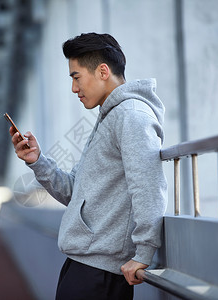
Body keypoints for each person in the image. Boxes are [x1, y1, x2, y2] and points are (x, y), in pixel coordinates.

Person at [9, 32, 167, 300]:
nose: (73, 88)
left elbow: (149, 186)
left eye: (76, 77)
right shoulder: (109, 117)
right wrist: (38, 161)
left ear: (103, 71)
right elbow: (75, 192)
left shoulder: (131, 117)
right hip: (86, 264)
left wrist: (143, 253)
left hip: (101, 274)